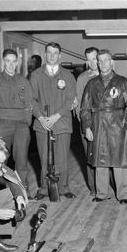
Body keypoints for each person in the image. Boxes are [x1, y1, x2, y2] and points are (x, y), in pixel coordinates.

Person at [81, 49, 127, 204]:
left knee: (119, 159)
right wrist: (87, 127)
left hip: (117, 123)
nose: (103, 63)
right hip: (98, 123)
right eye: (100, 61)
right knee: (100, 159)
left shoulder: (123, 81)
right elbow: (85, 108)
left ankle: (124, 193)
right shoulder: (91, 84)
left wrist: (126, 122)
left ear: (111, 62)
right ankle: (101, 192)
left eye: (106, 60)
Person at [30, 42, 77, 200]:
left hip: (62, 123)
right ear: (45, 54)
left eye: (55, 53)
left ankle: (63, 187)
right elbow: (31, 100)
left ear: (60, 55)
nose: (52, 56)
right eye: (49, 52)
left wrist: (56, 116)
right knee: (44, 157)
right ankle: (44, 188)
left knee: (62, 157)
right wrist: (41, 117)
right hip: (42, 124)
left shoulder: (68, 75)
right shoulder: (36, 75)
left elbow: (71, 99)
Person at [0, 49, 33, 197]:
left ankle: (23, 191)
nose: (11, 65)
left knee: (22, 160)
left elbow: (29, 103)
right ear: (3, 61)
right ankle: (2, 194)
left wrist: (27, 122)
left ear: (17, 62)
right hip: (3, 123)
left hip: (21, 124)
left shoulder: (23, 80)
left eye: (13, 61)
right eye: (8, 61)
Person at [74, 46, 100, 197]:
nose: (92, 63)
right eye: (89, 59)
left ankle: (108, 186)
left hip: (105, 123)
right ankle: (94, 188)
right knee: (90, 156)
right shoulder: (82, 78)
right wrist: (85, 125)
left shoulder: (109, 75)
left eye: (94, 59)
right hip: (88, 123)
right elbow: (78, 104)